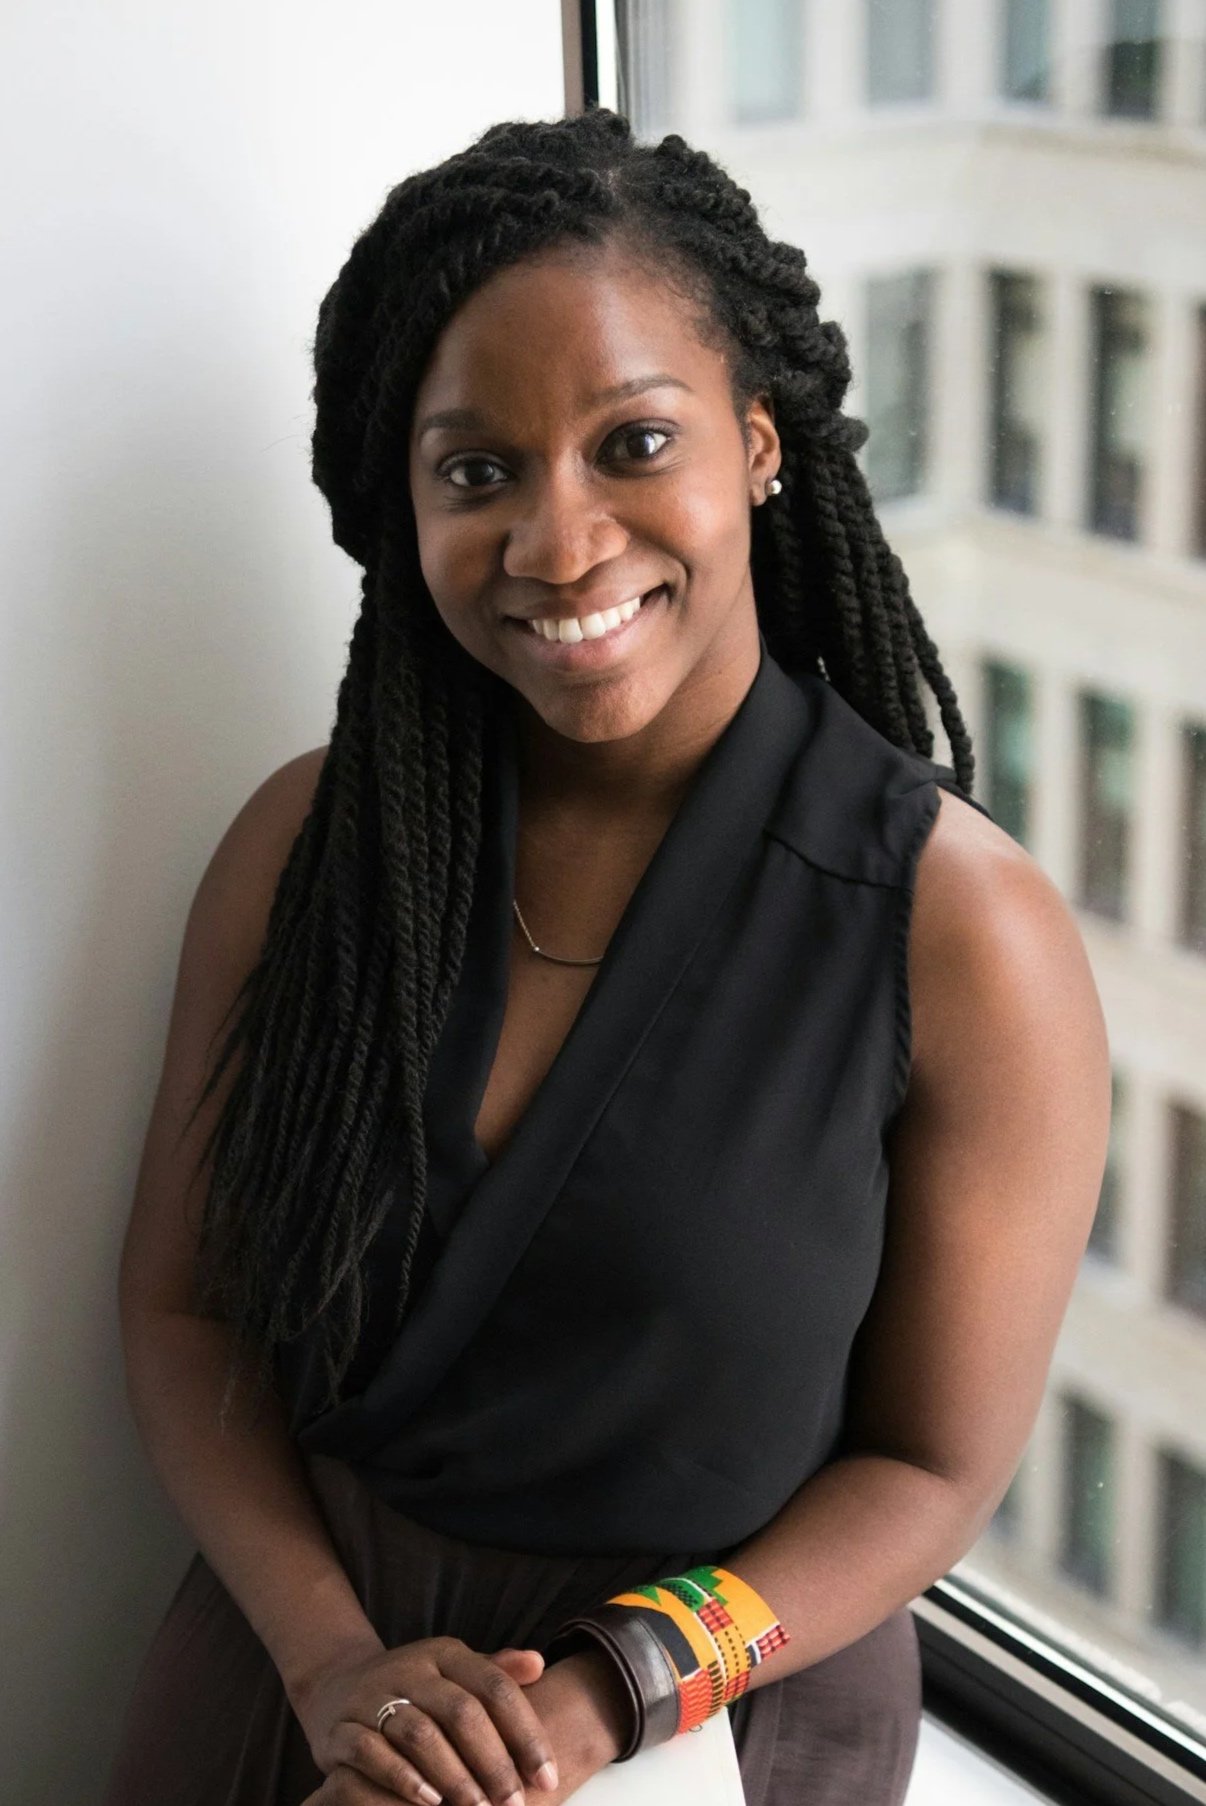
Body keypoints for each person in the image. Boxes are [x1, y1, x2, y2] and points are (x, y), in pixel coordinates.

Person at [104, 108, 1111, 1806]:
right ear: (400, 504)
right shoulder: (312, 846)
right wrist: (333, 1664)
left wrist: (601, 1699)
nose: (559, 544)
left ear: (760, 444)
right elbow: (186, 1307)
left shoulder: (960, 929)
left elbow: (930, 1465)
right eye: (476, 471)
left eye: (632, 443)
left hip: (717, 1701)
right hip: (311, 1673)